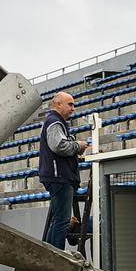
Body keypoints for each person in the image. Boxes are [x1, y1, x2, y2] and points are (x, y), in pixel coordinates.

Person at [37, 91, 86, 251]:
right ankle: (56, 258)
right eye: (70, 104)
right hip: (59, 177)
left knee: (59, 219)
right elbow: (59, 146)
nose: (73, 108)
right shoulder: (54, 122)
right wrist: (78, 146)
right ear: (58, 104)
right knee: (62, 221)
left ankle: (50, 255)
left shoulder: (55, 122)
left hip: (58, 176)